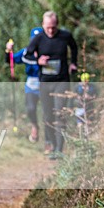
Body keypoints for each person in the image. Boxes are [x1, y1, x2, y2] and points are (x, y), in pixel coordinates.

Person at [24, 11, 78, 159]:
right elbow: (27, 55)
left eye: (53, 27)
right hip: (45, 82)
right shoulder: (38, 38)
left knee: (59, 114)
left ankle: (60, 150)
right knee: (47, 115)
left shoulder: (65, 36)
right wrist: (38, 61)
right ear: (43, 25)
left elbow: (74, 47)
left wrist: (73, 63)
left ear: (57, 25)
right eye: (47, 27)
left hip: (61, 81)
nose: (50, 31)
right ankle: (53, 146)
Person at [5, 27, 42, 143]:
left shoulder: (48, 52)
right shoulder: (26, 53)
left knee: (48, 112)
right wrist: (8, 50)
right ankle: (35, 127)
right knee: (30, 109)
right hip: (31, 85)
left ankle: (50, 139)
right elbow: (10, 60)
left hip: (46, 84)